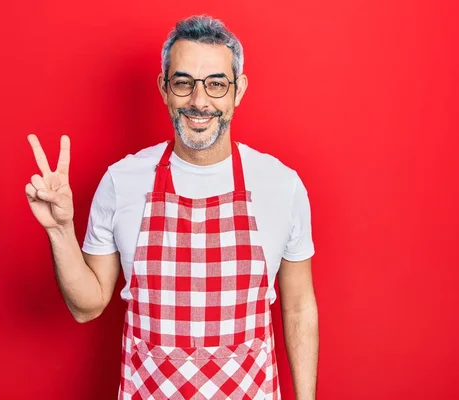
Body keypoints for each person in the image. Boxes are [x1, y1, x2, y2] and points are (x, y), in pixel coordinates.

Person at [25, 15, 318, 400]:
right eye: (184, 83)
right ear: (164, 88)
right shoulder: (121, 181)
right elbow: (87, 306)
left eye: (216, 84)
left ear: (238, 90)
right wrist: (59, 230)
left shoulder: (282, 185)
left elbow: (298, 306)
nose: (199, 101)